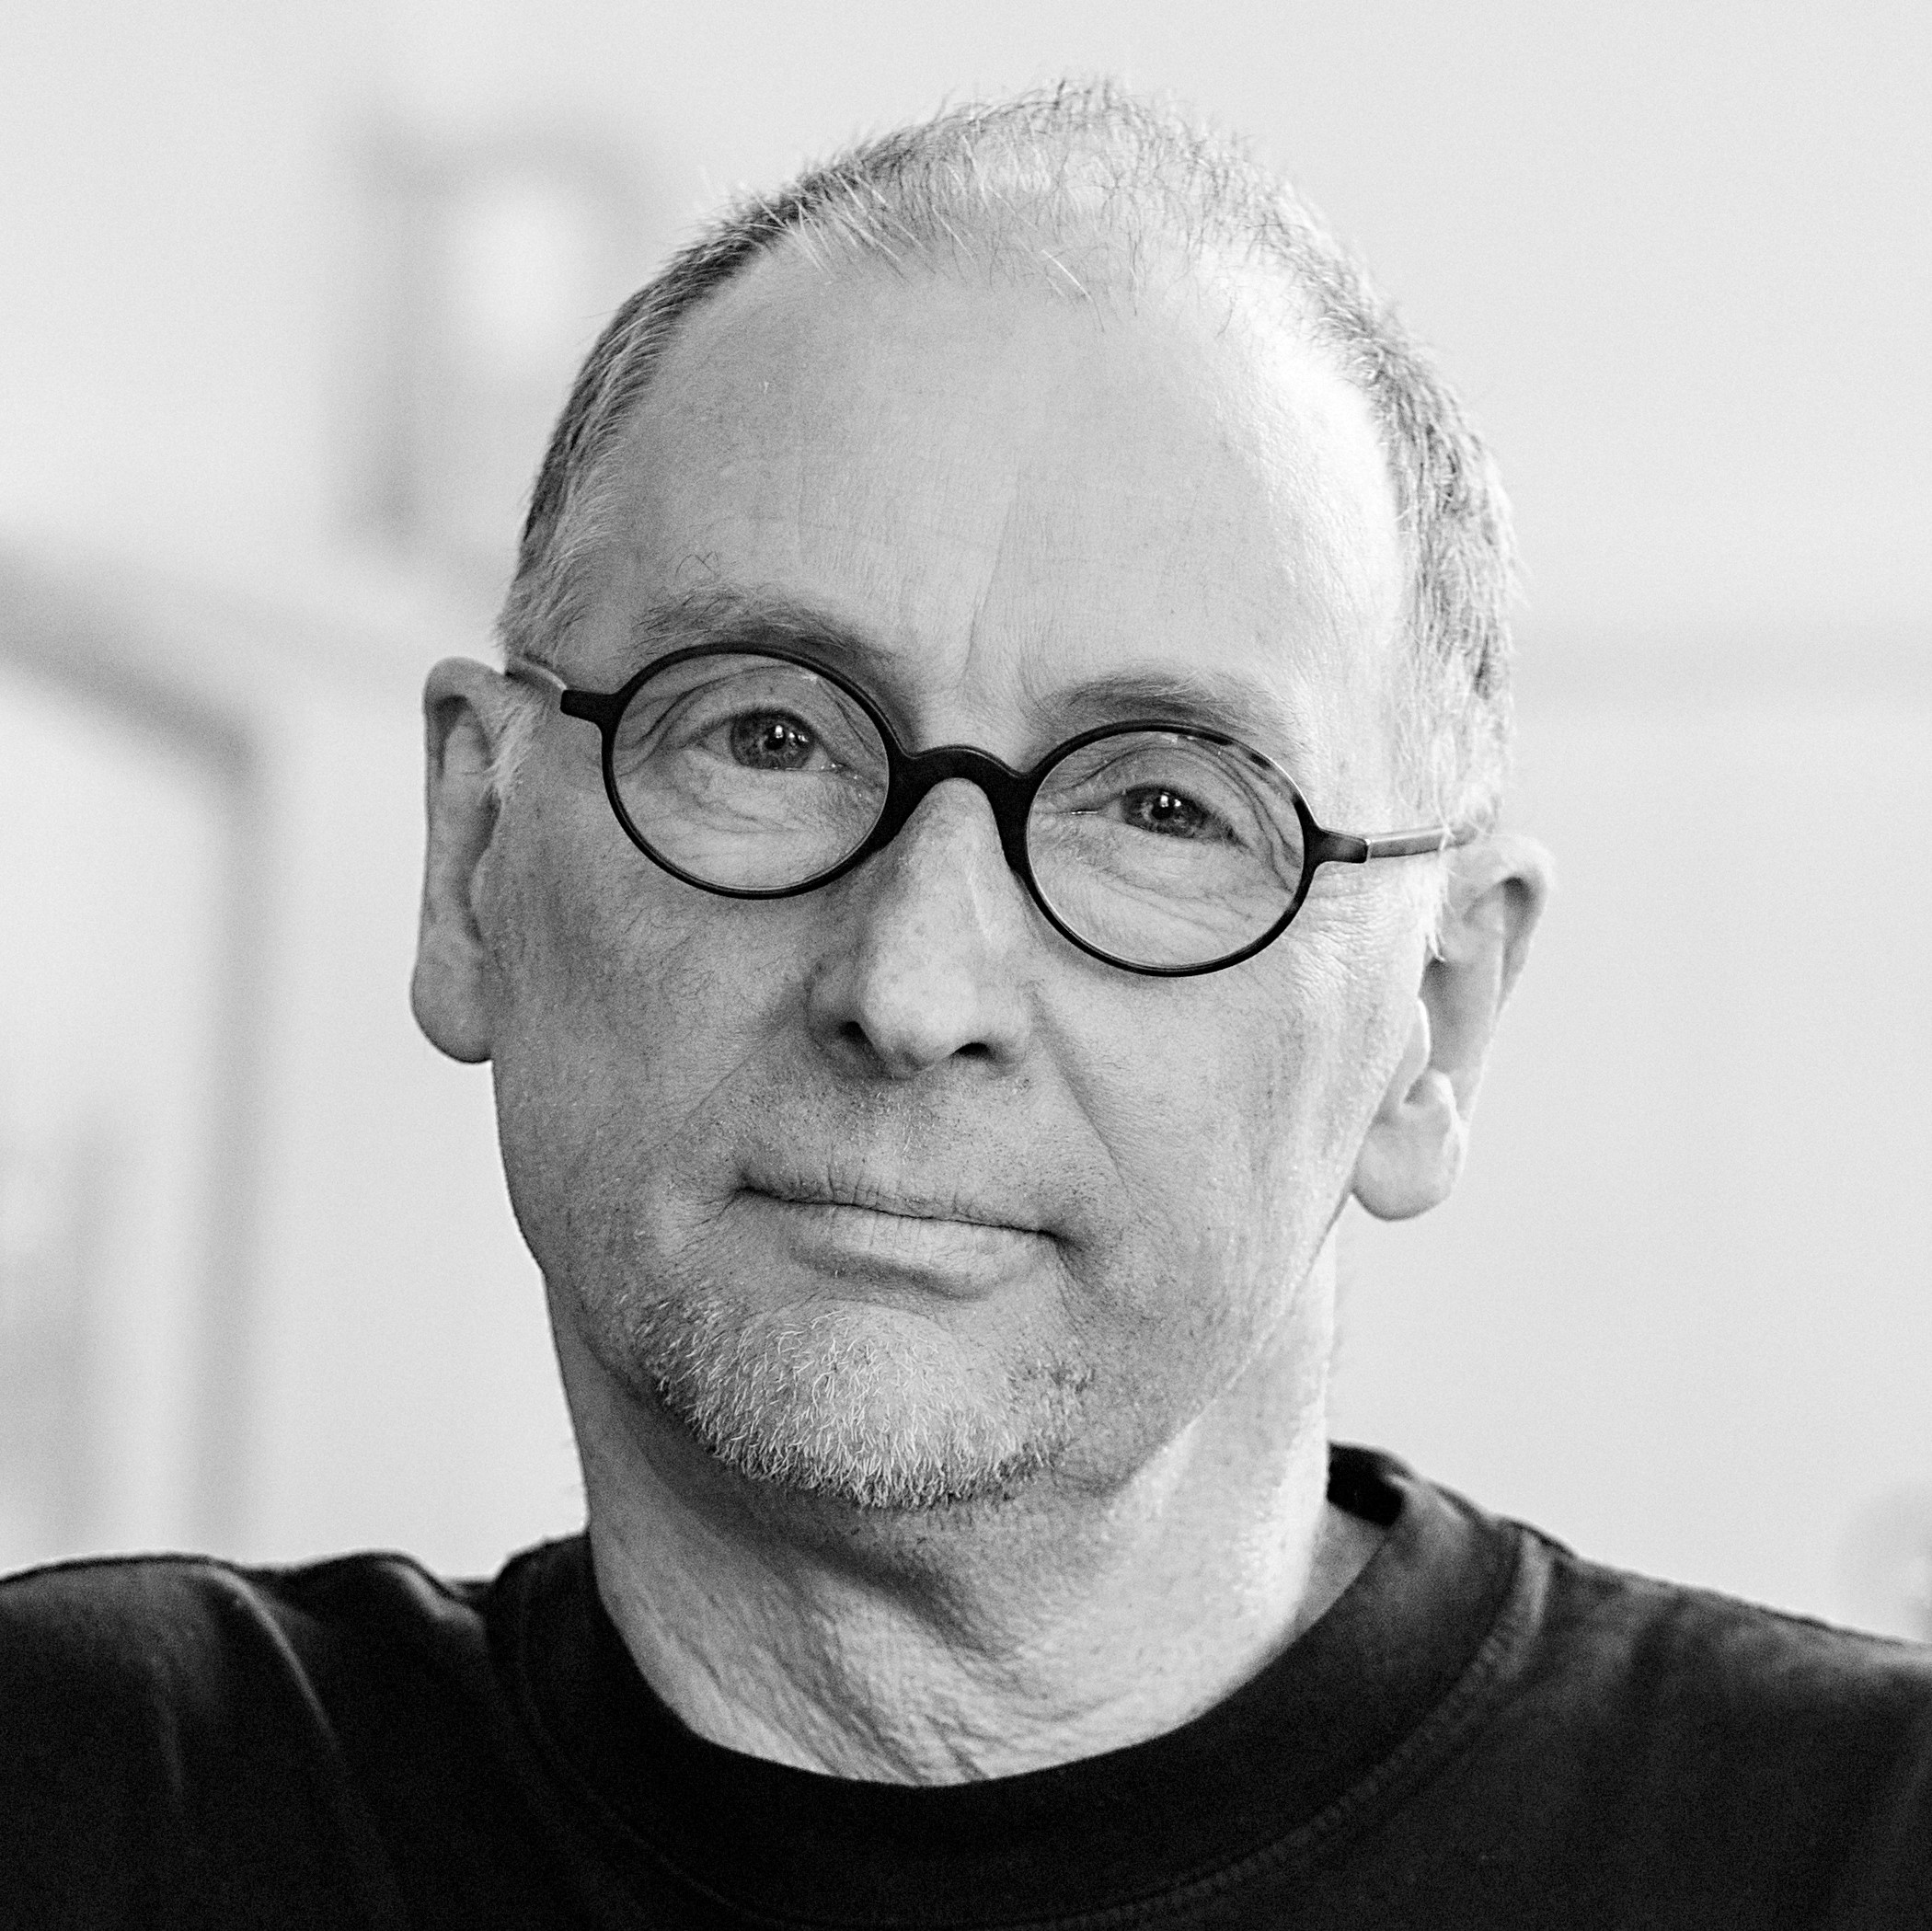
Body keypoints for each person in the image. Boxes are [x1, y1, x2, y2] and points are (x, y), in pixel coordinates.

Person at [4, 81, 1928, 1929]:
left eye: (1165, 807)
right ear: (473, 858)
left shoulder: (1862, 1853)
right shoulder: (97, 1804)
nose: (911, 988)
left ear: (1434, 1022)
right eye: (763, 736)